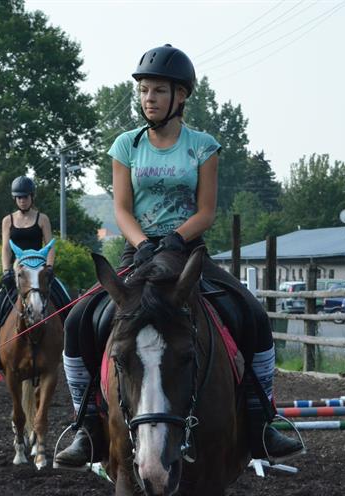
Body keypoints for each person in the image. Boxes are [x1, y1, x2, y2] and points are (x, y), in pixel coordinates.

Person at [54, 44, 304, 469]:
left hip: (187, 252)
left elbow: (206, 211)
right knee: (79, 320)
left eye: (157, 91)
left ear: (181, 96)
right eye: (144, 91)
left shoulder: (202, 146)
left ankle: (263, 419)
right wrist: (144, 241)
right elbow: (121, 209)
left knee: (252, 313)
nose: (148, 98)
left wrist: (174, 238)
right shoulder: (125, 146)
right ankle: (87, 425)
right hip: (140, 250)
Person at [0, 176, 71, 371]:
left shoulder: (42, 219)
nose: (22, 200)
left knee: (66, 299)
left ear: (32, 197)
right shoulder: (8, 220)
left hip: (40, 271)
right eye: (19, 197)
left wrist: (49, 267)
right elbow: (6, 248)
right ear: (15, 199)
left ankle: (70, 349)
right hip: (19, 272)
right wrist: (6, 270)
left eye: (25, 197)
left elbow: (50, 245)